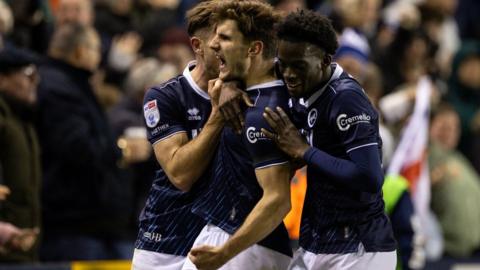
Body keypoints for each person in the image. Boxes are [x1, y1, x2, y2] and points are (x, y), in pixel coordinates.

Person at [261, 10, 397, 269]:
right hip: (318, 241)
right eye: (283, 64)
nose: (288, 74)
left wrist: (304, 151)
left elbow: (369, 177)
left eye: (298, 65)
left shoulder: (347, 100)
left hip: (358, 248)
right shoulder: (308, 87)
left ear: (324, 61)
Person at [184, 1, 292, 269]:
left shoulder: (262, 112)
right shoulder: (261, 91)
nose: (213, 45)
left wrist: (223, 253)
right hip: (241, 237)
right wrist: (228, 82)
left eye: (225, 37)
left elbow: (278, 199)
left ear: (255, 48)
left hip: (240, 240)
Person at [131, 1, 226, 269]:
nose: (226, 50)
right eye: (218, 42)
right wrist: (218, 116)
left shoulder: (249, 93)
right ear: (197, 46)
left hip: (222, 239)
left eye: (232, 41)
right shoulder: (164, 97)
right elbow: (180, 174)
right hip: (165, 242)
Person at [36, 23, 133, 260]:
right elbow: (79, 147)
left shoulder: (70, 84)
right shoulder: (62, 88)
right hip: (75, 223)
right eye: (96, 50)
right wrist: (122, 151)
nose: (99, 58)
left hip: (86, 222)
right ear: (80, 51)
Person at [0, 46, 40, 262]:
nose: (34, 82)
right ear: (2, 79)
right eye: (27, 75)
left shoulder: (21, 118)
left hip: (20, 240)